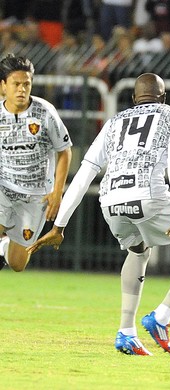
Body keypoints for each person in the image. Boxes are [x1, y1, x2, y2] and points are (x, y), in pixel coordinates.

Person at [27, 73, 170, 356]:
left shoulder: (114, 122)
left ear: (132, 99)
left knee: (138, 251)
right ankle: (161, 317)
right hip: (149, 196)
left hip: (111, 201)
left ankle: (126, 332)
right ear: (163, 97)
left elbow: (85, 174)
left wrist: (59, 225)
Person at [0, 54, 73, 272]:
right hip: (3, 187)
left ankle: (5, 247)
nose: (22, 89)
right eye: (16, 84)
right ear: (3, 86)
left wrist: (57, 192)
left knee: (18, 264)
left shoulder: (45, 112)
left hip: (36, 195)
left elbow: (64, 151)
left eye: (26, 84)